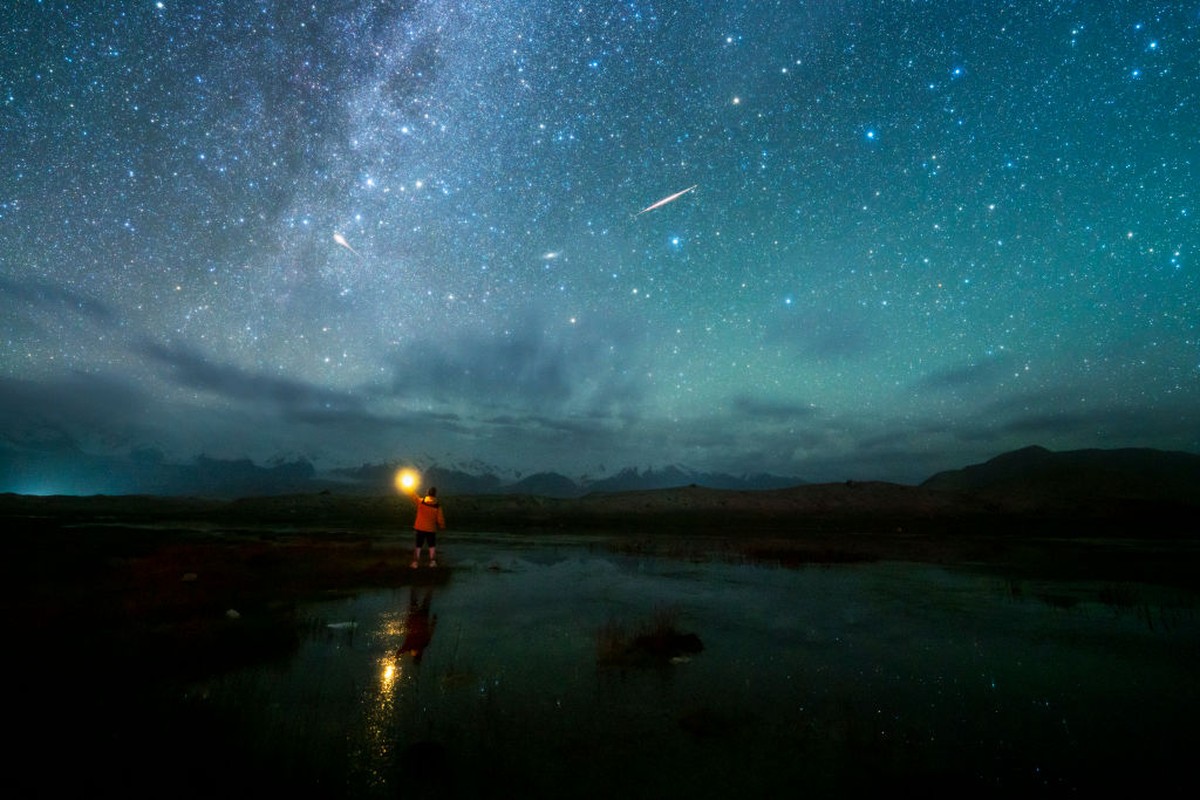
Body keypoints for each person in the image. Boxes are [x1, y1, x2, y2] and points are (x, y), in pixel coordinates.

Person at [407, 486, 446, 567]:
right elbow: (440, 518)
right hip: (431, 529)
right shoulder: (437, 506)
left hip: (420, 528)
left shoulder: (421, 501)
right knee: (431, 546)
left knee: (418, 545)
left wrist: (409, 488)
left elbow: (413, 496)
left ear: (428, 493)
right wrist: (442, 526)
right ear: (435, 494)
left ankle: (415, 563)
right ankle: (432, 562)